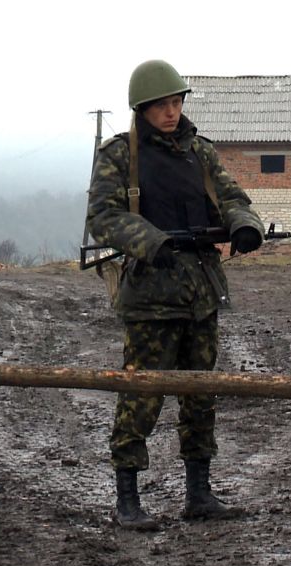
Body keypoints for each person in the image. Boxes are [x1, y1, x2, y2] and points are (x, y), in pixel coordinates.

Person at [85, 59, 265, 531]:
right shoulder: (121, 155)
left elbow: (232, 198)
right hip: (150, 298)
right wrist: (151, 241)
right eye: (162, 105)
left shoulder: (199, 152)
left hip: (202, 293)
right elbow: (102, 217)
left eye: (176, 102)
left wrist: (244, 227)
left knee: (200, 395)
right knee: (141, 397)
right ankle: (128, 499)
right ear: (142, 109)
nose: (171, 112)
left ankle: (199, 493)